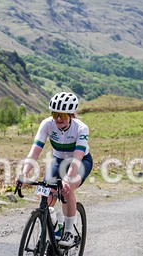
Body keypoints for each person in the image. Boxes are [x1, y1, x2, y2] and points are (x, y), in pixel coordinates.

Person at [18, 92, 93, 247]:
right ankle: (55, 224)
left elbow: (77, 158)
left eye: (63, 115)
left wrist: (68, 179)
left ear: (71, 115)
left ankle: (68, 232)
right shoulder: (47, 124)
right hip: (58, 161)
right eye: (55, 114)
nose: (58, 119)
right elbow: (35, 150)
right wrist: (24, 172)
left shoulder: (81, 128)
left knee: (67, 188)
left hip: (80, 161)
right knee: (45, 192)